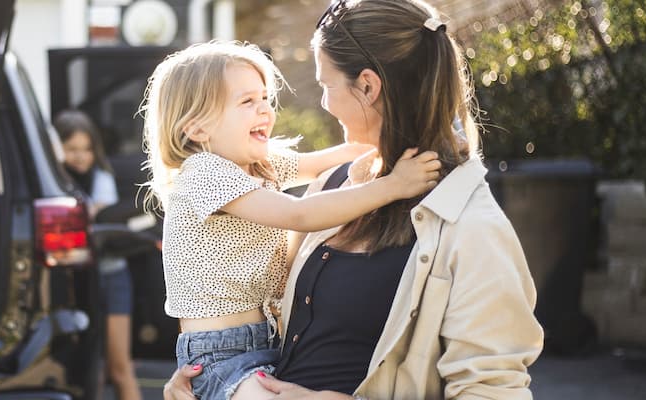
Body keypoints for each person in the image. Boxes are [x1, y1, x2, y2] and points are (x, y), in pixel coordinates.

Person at [163, 0, 544, 399]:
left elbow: (492, 390)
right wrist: (208, 381)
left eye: (326, 86)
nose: (323, 103)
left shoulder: (471, 225)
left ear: (367, 85)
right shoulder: (335, 185)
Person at [142, 40, 442, 400]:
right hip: (220, 355)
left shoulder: (257, 163)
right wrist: (395, 185)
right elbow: (299, 215)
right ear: (198, 129)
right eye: (246, 102)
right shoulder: (203, 172)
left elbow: (328, 160)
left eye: (265, 98)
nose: (265, 111)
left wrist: (391, 144)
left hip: (270, 341)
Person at [54, 109, 144, 400]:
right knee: (86, 371)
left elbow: (98, 218)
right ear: (57, 149)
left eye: (86, 149)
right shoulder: (53, 180)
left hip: (111, 277)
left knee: (120, 368)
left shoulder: (101, 176)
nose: (80, 157)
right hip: (72, 283)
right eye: (71, 149)